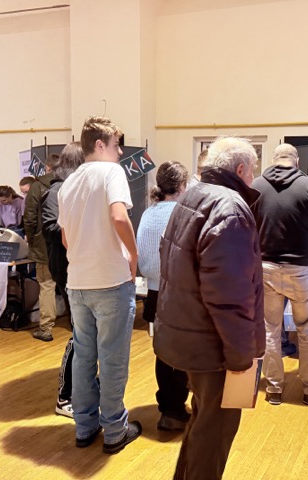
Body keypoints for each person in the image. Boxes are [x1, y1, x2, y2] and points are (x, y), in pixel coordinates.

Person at [154, 136, 265, 480]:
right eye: (253, 172)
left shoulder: (193, 195)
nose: (253, 179)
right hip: (213, 346)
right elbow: (229, 297)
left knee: (202, 424)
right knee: (214, 434)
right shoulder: (230, 208)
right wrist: (240, 358)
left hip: (189, 335)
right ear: (241, 169)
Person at [57, 116, 141, 454]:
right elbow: (119, 216)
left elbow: (65, 239)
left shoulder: (68, 183)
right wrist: (133, 254)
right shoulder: (111, 172)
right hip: (110, 280)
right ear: (99, 144)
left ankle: (84, 426)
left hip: (78, 283)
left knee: (84, 356)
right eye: (117, 145)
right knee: (112, 358)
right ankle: (114, 430)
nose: (120, 152)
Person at [251, 143, 308, 406]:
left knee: (270, 331)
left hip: (265, 268)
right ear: (296, 161)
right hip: (300, 269)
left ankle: (274, 389)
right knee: (307, 331)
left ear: (273, 160)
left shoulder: (255, 185)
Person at [136, 161, 191, 432]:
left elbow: (144, 259)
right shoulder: (184, 213)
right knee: (182, 354)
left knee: (163, 353)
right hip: (181, 293)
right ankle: (175, 408)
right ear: (182, 185)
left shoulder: (149, 213)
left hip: (154, 292)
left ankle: (169, 408)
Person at [41, 142, 85, 417]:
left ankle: (82, 388)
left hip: (83, 271)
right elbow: (49, 227)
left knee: (86, 334)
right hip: (68, 271)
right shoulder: (56, 191)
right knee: (80, 334)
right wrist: (83, 227)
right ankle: (65, 396)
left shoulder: (78, 190)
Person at [24, 154, 60, 342]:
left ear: (47, 167)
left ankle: (46, 328)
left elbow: (29, 217)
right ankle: (79, 325)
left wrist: (31, 239)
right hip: (68, 241)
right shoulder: (71, 183)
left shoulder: (37, 186)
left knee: (47, 284)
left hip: (43, 243)